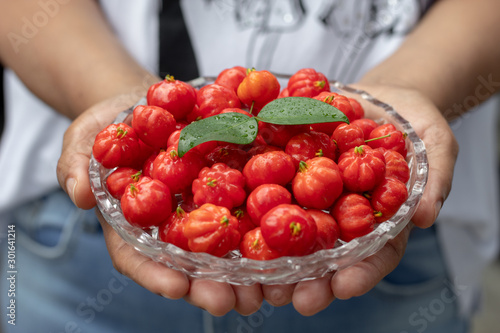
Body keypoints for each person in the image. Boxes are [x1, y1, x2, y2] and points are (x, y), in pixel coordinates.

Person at [0, 0, 499, 332]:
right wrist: (106, 93)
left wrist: (417, 87)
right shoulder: (171, 160)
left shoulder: (341, 152)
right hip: (71, 246)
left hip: (386, 252)